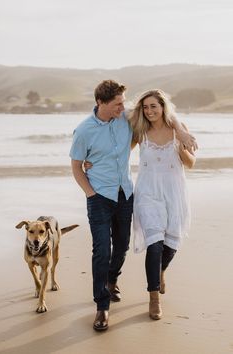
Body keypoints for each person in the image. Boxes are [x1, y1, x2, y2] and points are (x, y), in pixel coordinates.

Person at [69, 80, 197, 331]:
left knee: (132, 246)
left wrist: (180, 135)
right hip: (117, 195)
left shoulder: (128, 118)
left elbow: (166, 119)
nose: (124, 107)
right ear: (101, 103)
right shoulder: (98, 129)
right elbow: (92, 160)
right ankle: (115, 305)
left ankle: (124, 277)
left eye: (123, 103)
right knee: (111, 249)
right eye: (118, 103)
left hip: (137, 193)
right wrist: (91, 180)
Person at [128, 89, 196, 320]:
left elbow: (191, 164)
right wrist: (93, 162)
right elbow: (120, 153)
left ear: (163, 106)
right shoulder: (140, 130)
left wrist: (180, 148)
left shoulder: (179, 129)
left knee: (171, 245)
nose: (149, 111)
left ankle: (161, 271)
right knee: (154, 244)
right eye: (145, 107)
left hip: (174, 191)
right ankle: (154, 298)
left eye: (153, 106)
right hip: (148, 192)